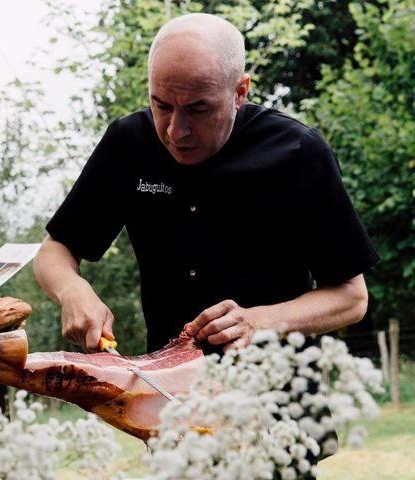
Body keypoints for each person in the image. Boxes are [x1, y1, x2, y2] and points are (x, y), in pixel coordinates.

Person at [33, 13, 379, 355]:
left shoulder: (298, 151)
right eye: (161, 105)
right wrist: (72, 290)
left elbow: (351, 297)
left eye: (198, 109)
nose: (175, 131)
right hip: (167, 396)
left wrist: (259, 321)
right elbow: (54, 250)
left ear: (240, 91)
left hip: (277, 394)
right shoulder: (128, 143)